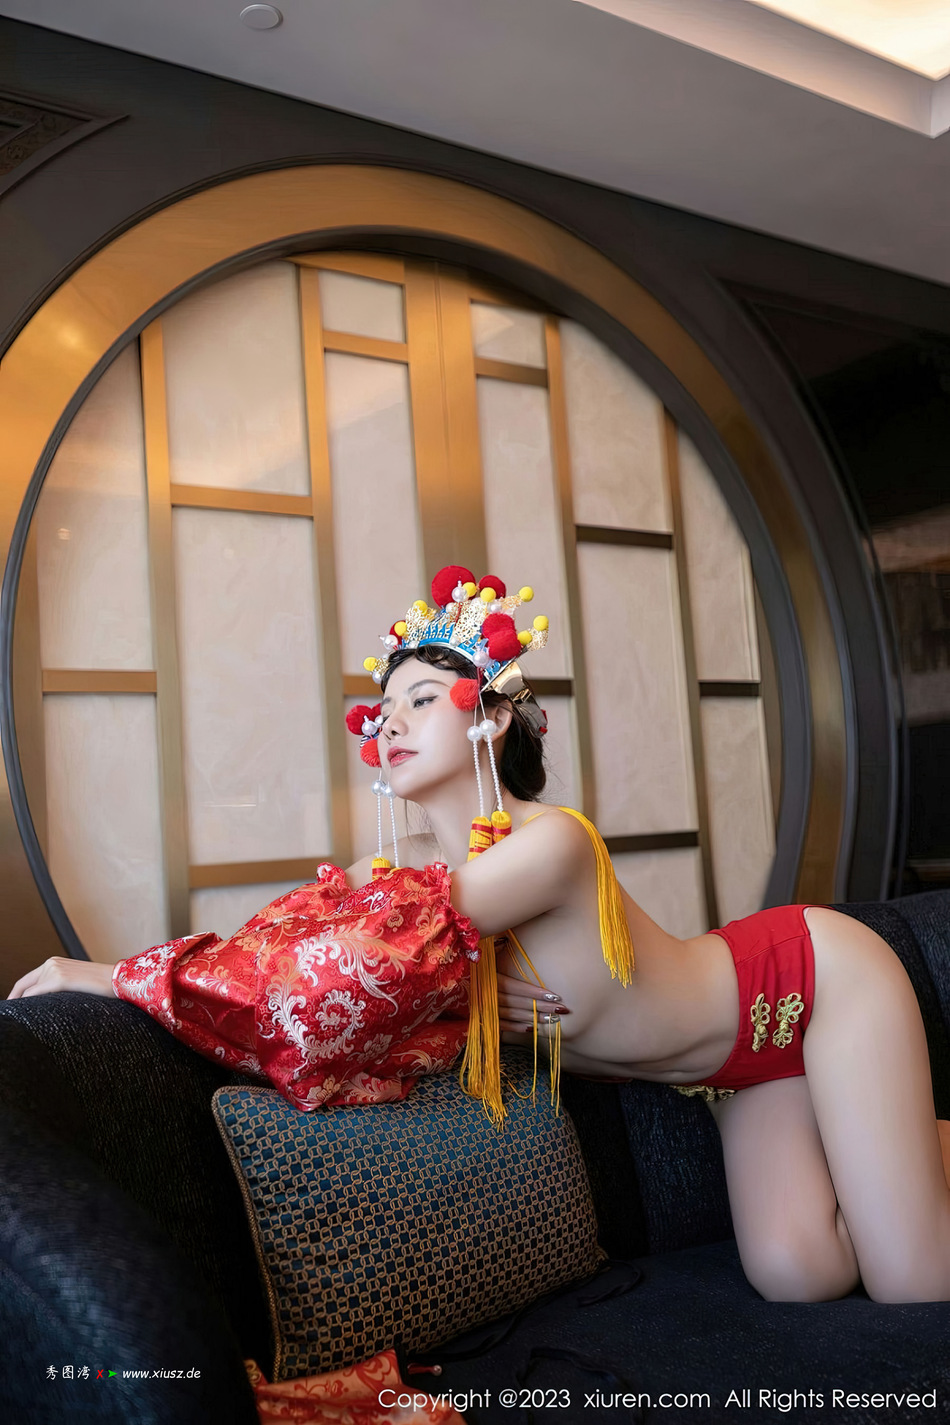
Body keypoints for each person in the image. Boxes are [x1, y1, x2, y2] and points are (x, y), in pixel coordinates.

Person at [10, 563, 950, 1307]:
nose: (393, 721)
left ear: (493, 715)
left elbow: (344, 967)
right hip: (735, 1072)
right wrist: (461, 1003)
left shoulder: (550, 845)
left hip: (813, 982)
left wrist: (108, 976)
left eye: (422, 699)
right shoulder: (410, 885)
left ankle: (902, 1144)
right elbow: (297, 959)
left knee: (914, 1282)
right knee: (800, 1276)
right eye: (385, 710)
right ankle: (901, 1145)